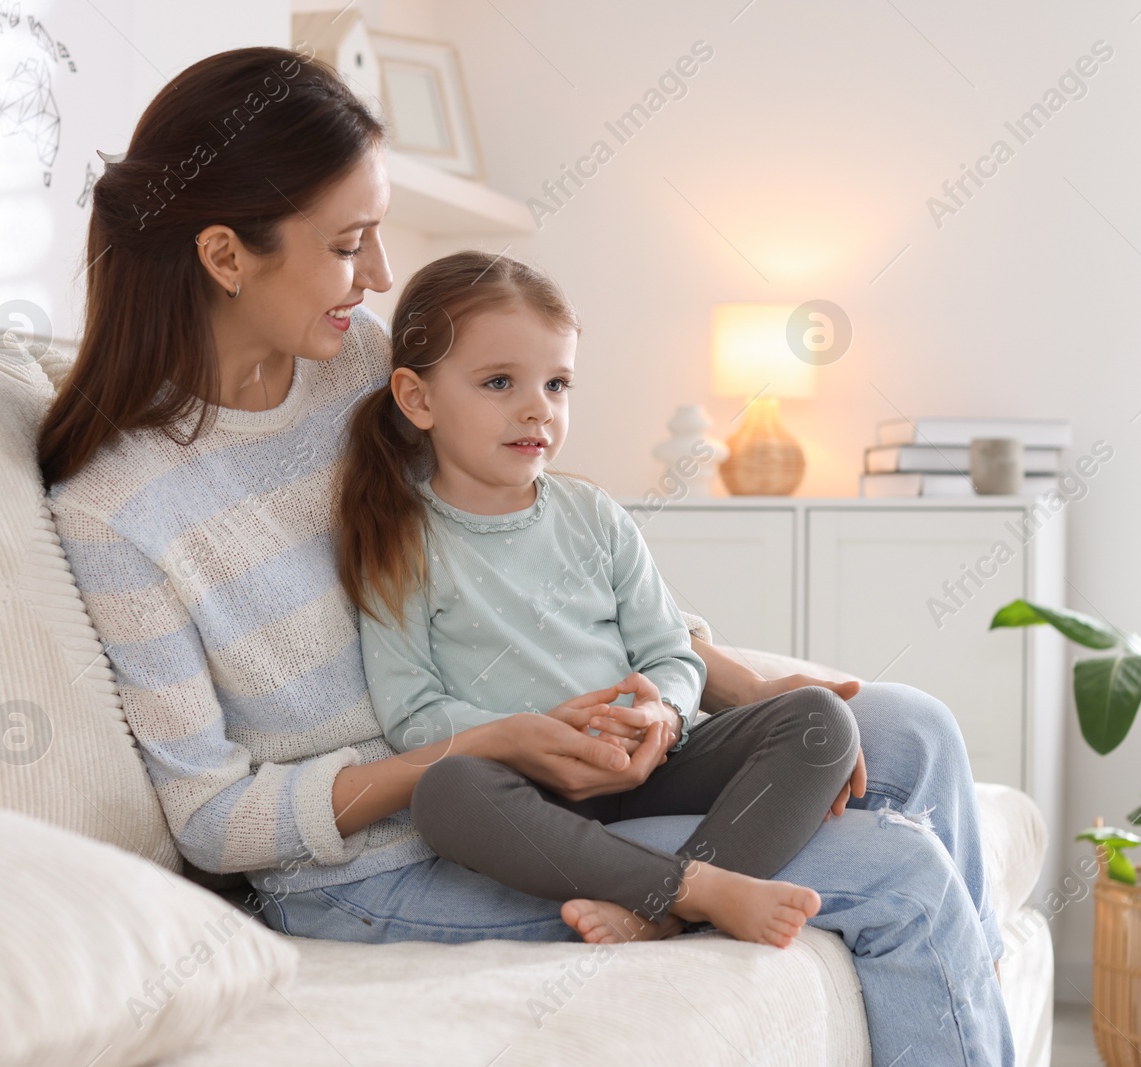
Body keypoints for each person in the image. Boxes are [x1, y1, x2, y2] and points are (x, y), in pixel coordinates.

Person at [40, 46, 1013, 1063]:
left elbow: (517, 551)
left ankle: (962, 1003)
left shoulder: (358, 364)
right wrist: (469, 749)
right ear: (226, 255)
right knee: (898, 871)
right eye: (348, 244)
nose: (375, 277)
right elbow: (208, 815)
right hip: (399, 851)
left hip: (553, 759)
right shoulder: (119, 511)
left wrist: (713, 675)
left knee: (907, 726)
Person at [339, 249, 861, 947]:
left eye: (557, 384)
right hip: (528, 790)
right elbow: (414, 716)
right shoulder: (397, 541)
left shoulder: (594, 514)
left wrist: (663, 714)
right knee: (443, 791)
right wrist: (533, 734)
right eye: (500, 381)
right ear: (418, 398)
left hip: (649, 764)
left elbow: (671, 651)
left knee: (821, 720)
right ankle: (691, 893)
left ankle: (660, 909)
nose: (537, 408)